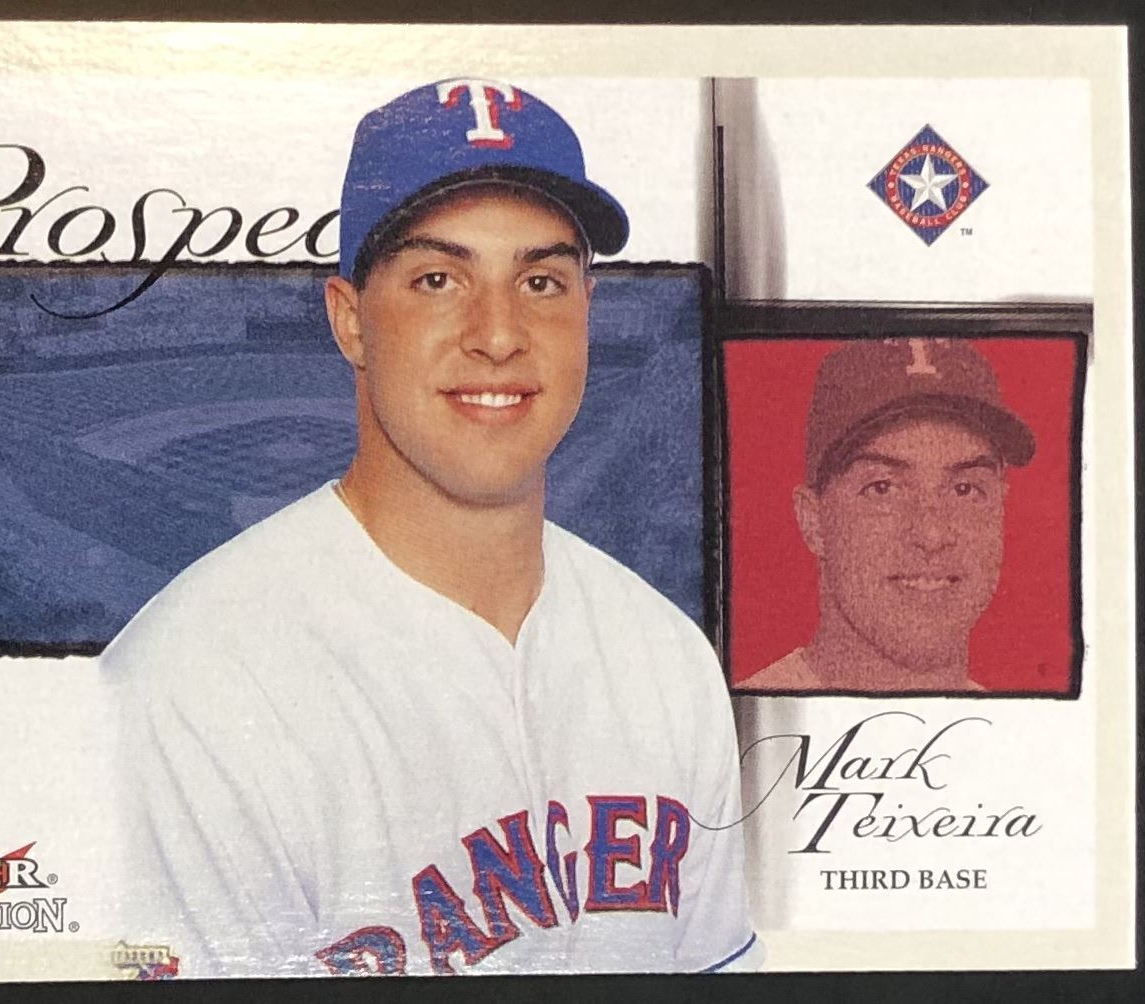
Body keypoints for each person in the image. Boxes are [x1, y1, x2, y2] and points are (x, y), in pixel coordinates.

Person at [103, 78, 759, 977]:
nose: (498, 334)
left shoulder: (666, 658)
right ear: (350, 321)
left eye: (539, 281)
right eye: (437, 280)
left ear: (586, 313)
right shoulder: (192, 687)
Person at [736, 337, 1035, 694]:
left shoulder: (1026, 725)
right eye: (882, 488)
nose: (931, 534)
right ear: (812, 520)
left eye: (964, 489)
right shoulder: (746, 717)